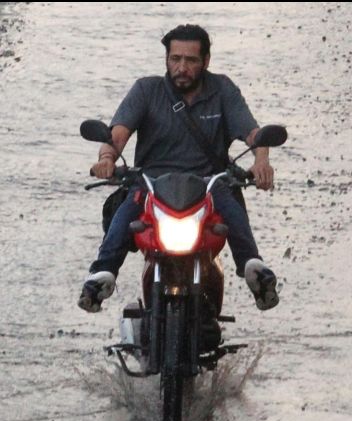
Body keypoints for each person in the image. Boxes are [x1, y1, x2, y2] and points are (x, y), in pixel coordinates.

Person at [78, 24, 278, 313]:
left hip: (208, 184)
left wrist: (261, 161)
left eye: (191, 60)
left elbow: (254, 134)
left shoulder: (222, 89)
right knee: (127, 208)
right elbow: (117, 135)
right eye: (175, 59)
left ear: (206, 61)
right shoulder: (146, 90)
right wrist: (107, 160)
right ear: (166, 60)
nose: (181, 67)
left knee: (230, 202)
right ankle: (101, 276)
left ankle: (253, 268)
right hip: (152, 183)